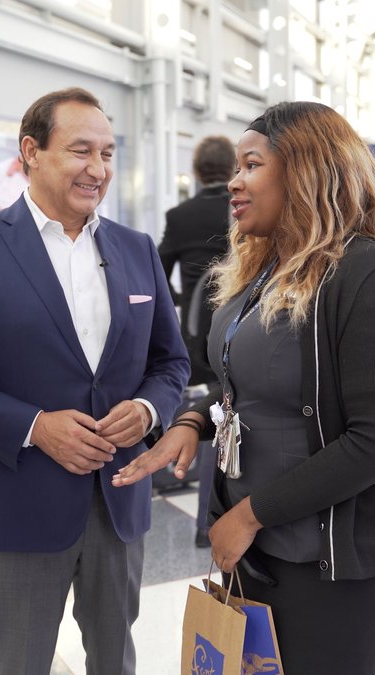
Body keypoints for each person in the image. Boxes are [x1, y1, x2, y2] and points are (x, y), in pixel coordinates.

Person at [112, 101, 375, 674]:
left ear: (306, 169)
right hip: (259, 544)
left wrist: (252, 514)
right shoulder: (267, 269)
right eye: (235, 166)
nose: (234, 181)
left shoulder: (369, 274)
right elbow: (249, 384)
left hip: (328, 553)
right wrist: (191, 422)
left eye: (251, 164)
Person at [0, 87, 189, 675]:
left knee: (115, 656)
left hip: (120, 496)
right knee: (19, 659)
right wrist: (34, 427)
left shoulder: (135, 250)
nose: (98, 169)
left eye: (108, 154)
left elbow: (171, 364)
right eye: (81, 150)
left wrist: (147, 409)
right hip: (20, 497)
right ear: (31, 152)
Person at [158, 135, 233, 548]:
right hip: (250, 329)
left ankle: (207, 519)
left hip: (198, 332)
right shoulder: (245, 207)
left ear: (197, 169)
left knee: (210, 414)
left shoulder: (180, 215)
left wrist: (186, 302)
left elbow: (155, 273)